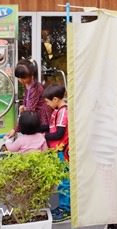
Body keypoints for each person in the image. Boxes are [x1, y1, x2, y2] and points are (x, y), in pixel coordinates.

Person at [44, 84, 71, 223]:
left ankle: (66, 209)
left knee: (64, 181)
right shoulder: (58, 110)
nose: (47, 104)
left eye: (48, 101)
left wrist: (43, 137)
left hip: (63, 151)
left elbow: (59, 133)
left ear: (55, 99)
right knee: (61, 180)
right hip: (58, 151)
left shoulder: (63, 112)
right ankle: (62, 206)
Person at [7, 59, 52, 138]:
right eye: (19, 78)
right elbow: (26, 104)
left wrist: (15, 129)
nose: (21, 80)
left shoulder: (36, 89)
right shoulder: (27, 84)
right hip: (34, 119)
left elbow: (29, 112)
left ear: (32, 75)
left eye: (23, 78)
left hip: (41, 121)